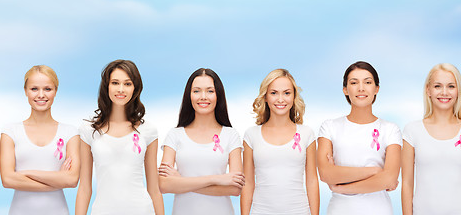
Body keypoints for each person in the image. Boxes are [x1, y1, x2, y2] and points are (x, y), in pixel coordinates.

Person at [75, 60, 164, 215]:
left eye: (127, 84)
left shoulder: (148, 130)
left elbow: (154, 189)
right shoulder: (88, 130)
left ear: (135, 88)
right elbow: (84, 188)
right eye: (115, 83)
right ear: (106, 86)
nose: (121, 89)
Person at [317, 61, 401, 215]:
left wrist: (341, 186)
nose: (361, 88)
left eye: (367, 82)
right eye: (354, 82)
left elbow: (389, 179)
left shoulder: (390, 129)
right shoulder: (329, 127)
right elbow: (325, 173)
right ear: (345, 90)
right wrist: (375, 171)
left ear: (376, 89)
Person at [158, 68, 244, 215]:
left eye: (210, 91)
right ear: (189, 95)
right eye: (197, 91)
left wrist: (181, 182)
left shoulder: (231, 135)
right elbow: (164, 185)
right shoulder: (175, 135)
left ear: (218, 95)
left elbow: (235, 188)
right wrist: (217, 179)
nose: (203, 97)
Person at [401, 63, 461, 215]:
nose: (444, 92)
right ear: (428, 90)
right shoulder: (412, 131)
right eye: (438, 86)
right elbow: (406, 183)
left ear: (458, 91)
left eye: (451, 86)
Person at [0, 65, 80, 215]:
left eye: (47, 89)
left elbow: (72, 180)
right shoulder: (10, 132)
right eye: (34, 89)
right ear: (25, 91)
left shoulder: (70, 132)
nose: (41, 95)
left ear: (56, 91)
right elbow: (7, 179)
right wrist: (57, 181)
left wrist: (24, 173)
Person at [241, 69, 319, 215]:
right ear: (265, 97)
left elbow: (312, 181)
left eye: (287, 93)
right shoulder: (251, 135)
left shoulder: (306, 134)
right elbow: (248, 183)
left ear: (294, 96)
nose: (280, 99)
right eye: (274, 93)